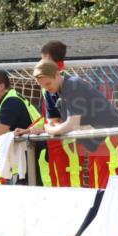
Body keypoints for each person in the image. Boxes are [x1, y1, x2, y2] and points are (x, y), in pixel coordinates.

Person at [23, 60, 118, 189]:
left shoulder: (72, 84)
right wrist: (56, 127)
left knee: (109, 186)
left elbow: (70, 124)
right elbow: (53, 122)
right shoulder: (53, 91)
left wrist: (51, 129)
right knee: (97, 185)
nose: (47, 88)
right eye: (42, 86)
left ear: (57, 74)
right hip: (97, 139)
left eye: (48, 83)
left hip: (110, 138)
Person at [37, 41, 79, 186]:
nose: (47, 87)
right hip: (58, 137)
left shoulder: (69, 82)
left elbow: (72, 121)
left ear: (48, 58)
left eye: (42, 58)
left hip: (65, 138)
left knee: (70, 178)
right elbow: (50, 118)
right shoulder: (51, 82)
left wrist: (52, 127)